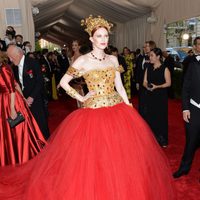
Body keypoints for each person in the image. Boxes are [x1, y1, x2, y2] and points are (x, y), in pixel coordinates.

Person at [0, 16, 176, 199]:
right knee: (95, 157)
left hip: (118, 109)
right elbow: (63, 83)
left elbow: (120, 86)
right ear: (91, 39)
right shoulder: (82, 61)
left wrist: (129, 105)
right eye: (99, 36)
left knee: (122, 156)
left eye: (106, 36)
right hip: (93, 112)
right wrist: (82, 97)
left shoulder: (113, 60)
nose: (103, 39)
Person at [0, 51, 46, 166]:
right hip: (11, 100)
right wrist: (24, 99)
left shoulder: (4, 68)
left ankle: (21, 155)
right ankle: (14, 153)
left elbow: (11, 89)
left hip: (10, 101)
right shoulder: (6, 67)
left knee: (17, 129)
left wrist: (12, 109)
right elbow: (16, 84)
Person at [7, 45, 50, 139]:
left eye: (11, 56)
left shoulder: (32, 62)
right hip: (22, 98)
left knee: (40, 120)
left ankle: (46, 141)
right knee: (28, 122)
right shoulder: (13, 67)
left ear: (18, 54)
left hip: (35, 97)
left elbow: (39, 81)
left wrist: (32, 97)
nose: (10, 59)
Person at [173, 37, 200, 178]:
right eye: (199, 44)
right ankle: (184, 168)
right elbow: (185, 88)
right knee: (191, 141)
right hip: (194, 108)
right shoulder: (191, 63)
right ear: (195, 47)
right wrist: (185, 108)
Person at [143, 48, 171, 147]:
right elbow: (144, 82)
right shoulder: (148, 67)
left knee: (160, 118)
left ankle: (162, 140)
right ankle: (151, 139)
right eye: (149, 55)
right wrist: (148, 87)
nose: (149, 57)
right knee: (150, 117)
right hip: (150, 96)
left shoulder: (165, 69)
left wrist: (157, 87)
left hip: (160, 97)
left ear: (158, 57)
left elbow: (168, 83)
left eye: (152, 55)